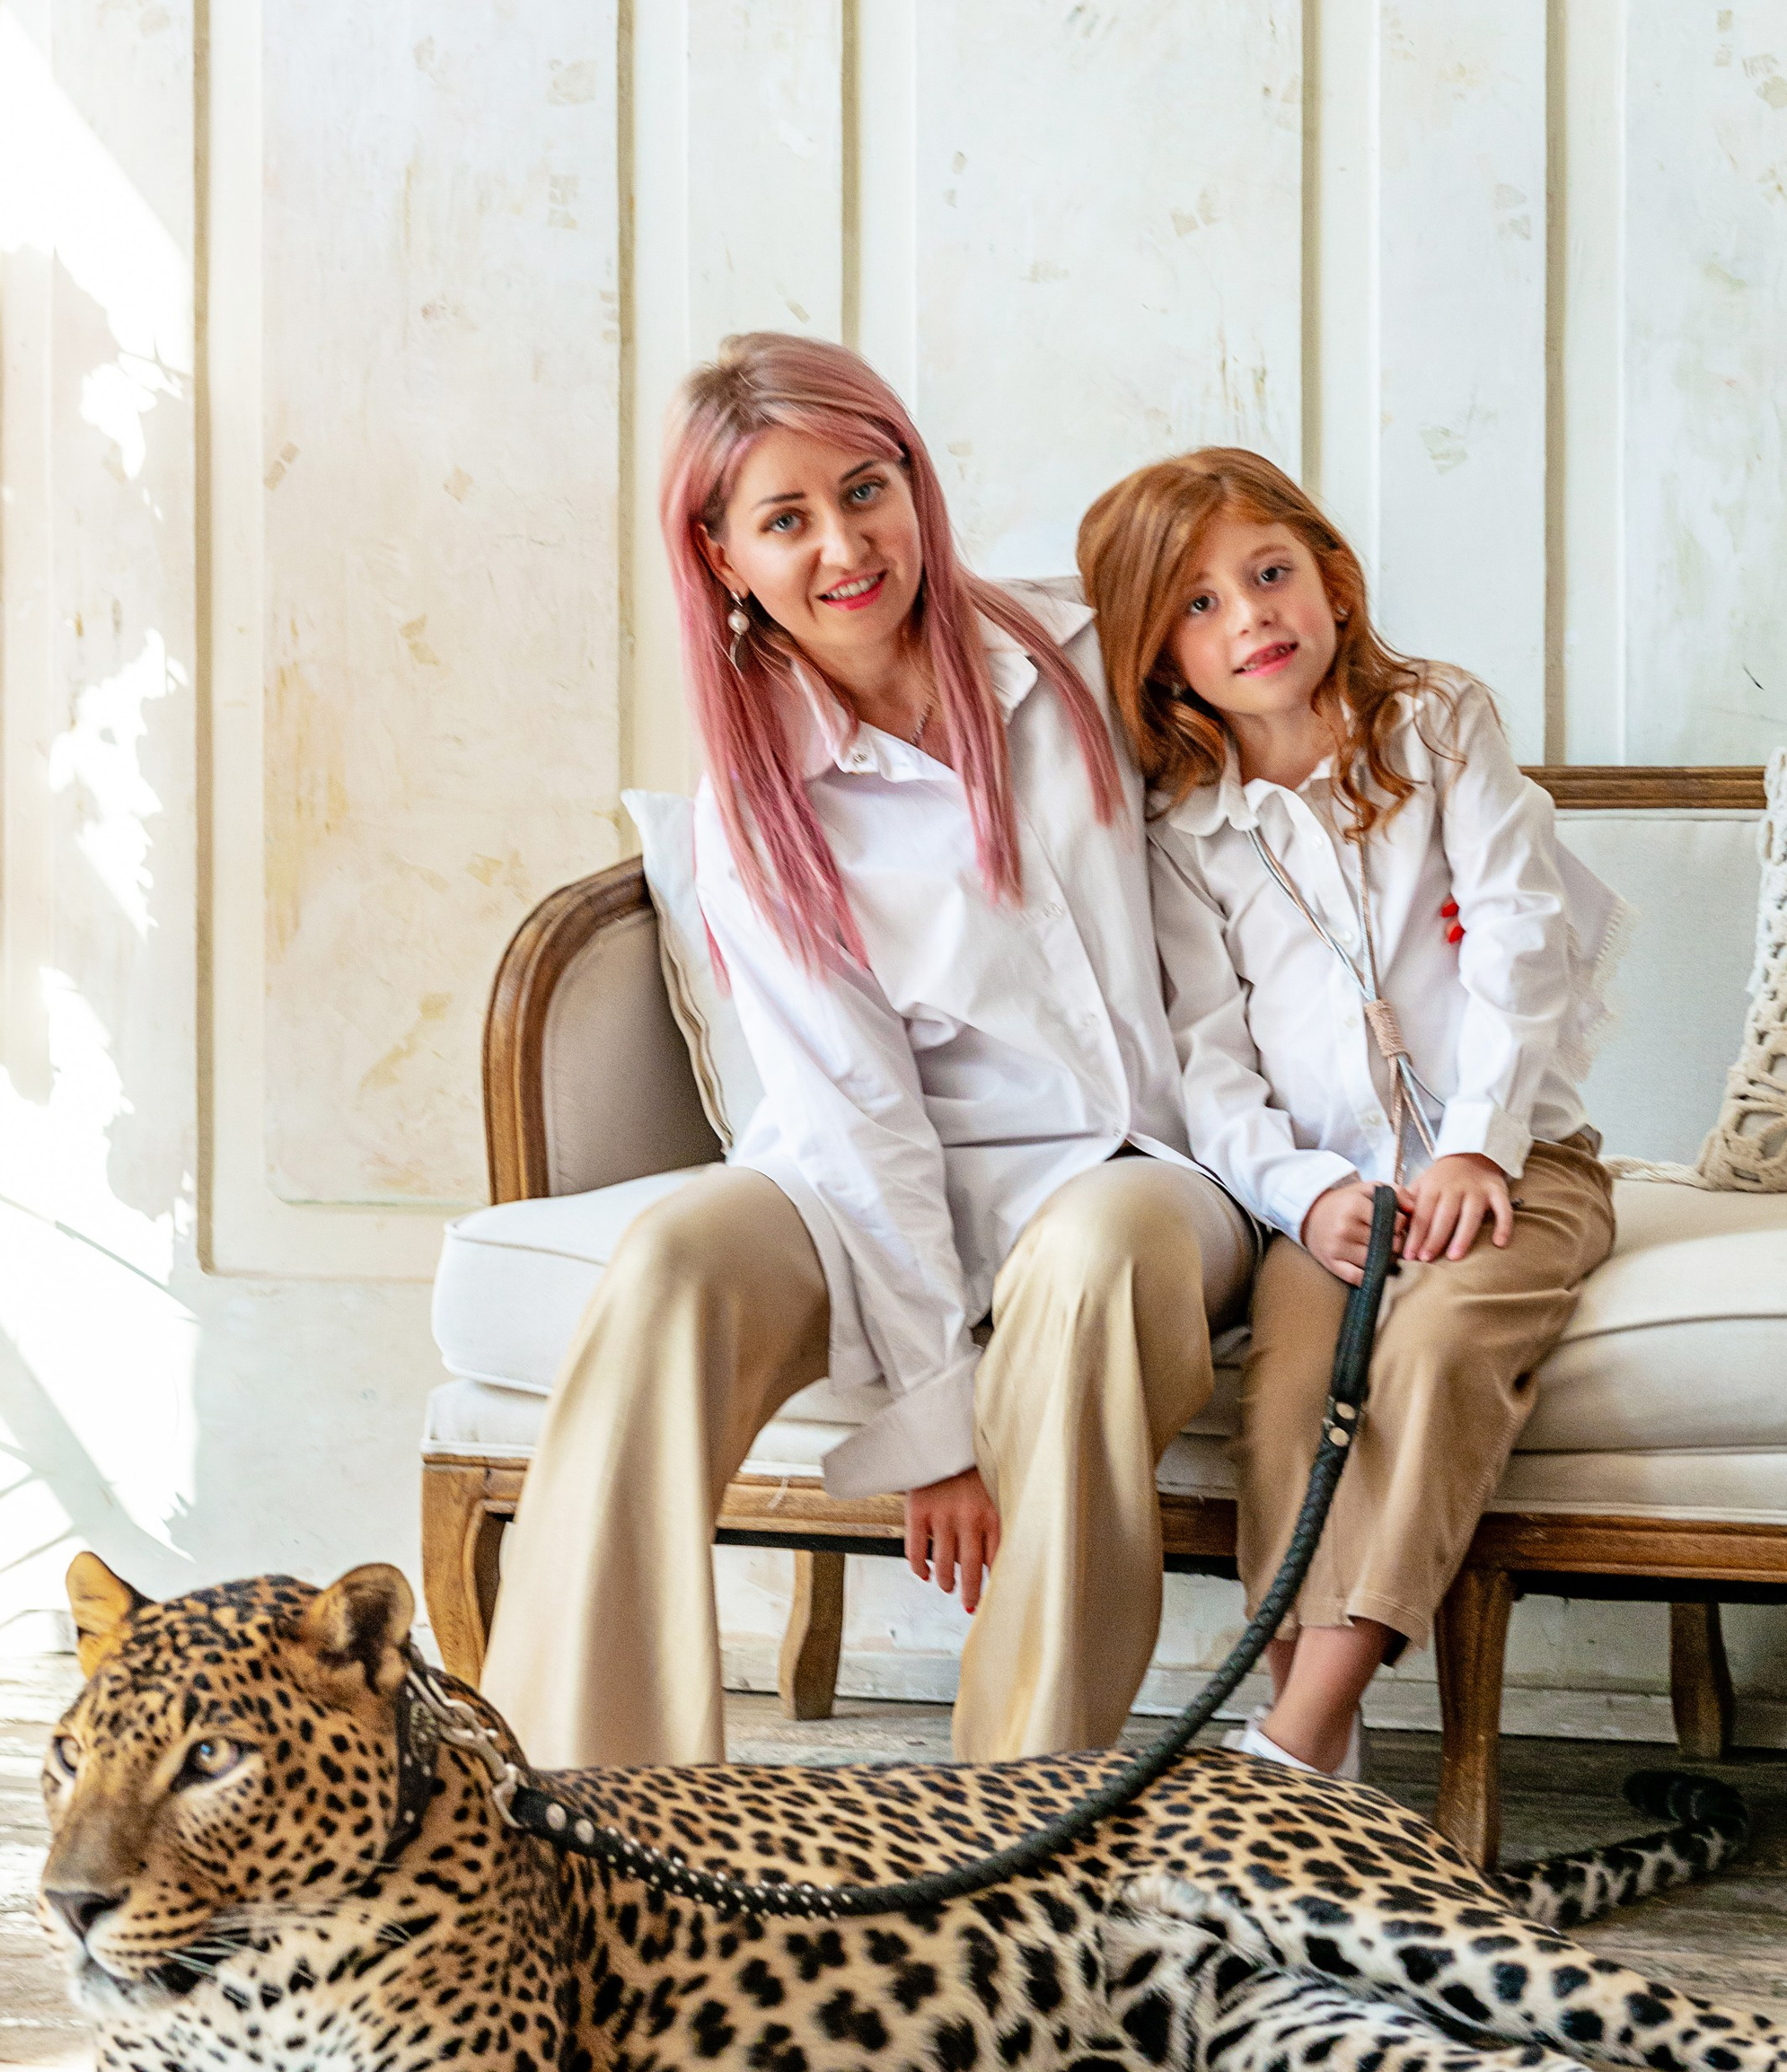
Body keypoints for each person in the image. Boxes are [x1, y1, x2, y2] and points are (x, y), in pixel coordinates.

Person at [480, 336, 1255, 1769]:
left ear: (914, 478)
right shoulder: (756, 804)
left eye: (865, 488)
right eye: (786, 520)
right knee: (669, 1264)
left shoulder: (1083, 653)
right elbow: (855, 1118)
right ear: (721, 557)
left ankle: (1018, 1825)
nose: (845, 546)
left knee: (1092, 1267)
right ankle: (576, 1808)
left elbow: (1281, 814)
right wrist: (935, 1420)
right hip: (862, 1185)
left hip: (1128, 1165)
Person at [1079, 447, 1624, 1779]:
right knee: (1287, 1403)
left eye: (1269, 576)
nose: (1250, 618)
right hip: (1326, 1194)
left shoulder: (1438, 727)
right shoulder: (1183, 823)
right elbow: (1204, 1055)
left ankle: (1294, 1734)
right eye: (1198, 605)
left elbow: (1519, 935)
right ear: (1156, 655)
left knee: (1431, 1356)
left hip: (1516, 1164)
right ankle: (1323, 1767)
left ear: (1332, 578)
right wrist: (1301, 1193)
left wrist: (1480, 1144)